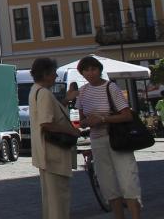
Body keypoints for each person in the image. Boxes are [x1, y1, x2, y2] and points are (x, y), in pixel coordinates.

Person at [75, 56, 142, 219]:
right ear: (82, 73)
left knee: (128, 182)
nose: (90, 73)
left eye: (93, 69)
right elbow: (82, 120)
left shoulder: (111, 87)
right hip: (97, 140)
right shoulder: (83, 92)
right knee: (108, 185)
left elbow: (127, 115)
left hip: (117, 139)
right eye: (86, 70)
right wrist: (87, 122)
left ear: (99, 70)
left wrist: (103, 119)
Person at [29, 58, 77, 219]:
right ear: (46, 74)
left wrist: (65, 100)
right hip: (53, 153)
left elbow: (47, 112)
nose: (56, 76)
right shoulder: (44, 93)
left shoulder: (35, 90)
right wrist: (71, 131)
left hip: (44, 153)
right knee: (58, 200)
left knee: (51, 199)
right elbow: (46, 123)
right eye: (53, 73)